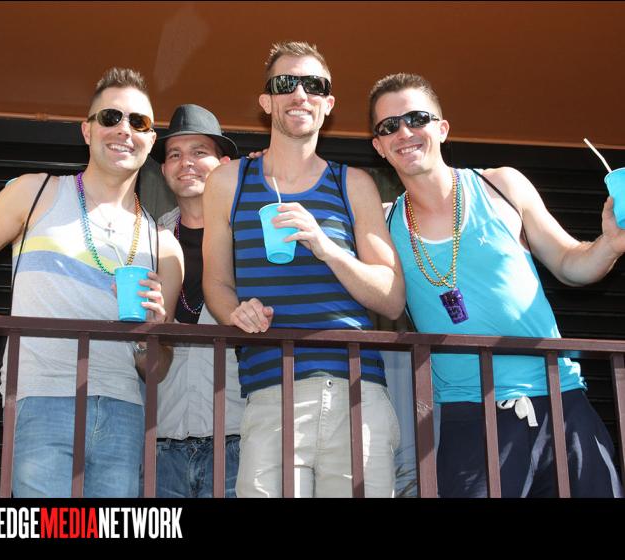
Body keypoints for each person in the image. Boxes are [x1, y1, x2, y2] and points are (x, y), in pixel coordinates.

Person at [369, 72, 625, 497]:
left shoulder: (500, 185)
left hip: (561, 398)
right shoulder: (383, 221)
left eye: (417, 118)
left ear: (442, 128)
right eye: (389, 126)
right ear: (378, 146)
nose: (405, 132)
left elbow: (569, 263)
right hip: (469, 415)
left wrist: (610, 245)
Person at [203, 41, 405, 498]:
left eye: (313, 85)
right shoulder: (228, 182)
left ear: (328, 104)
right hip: (270, 391)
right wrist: (235, 311)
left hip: (357, 393)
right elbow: (216, 282)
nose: (300, 94)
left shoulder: (353, 183)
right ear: (266, 101)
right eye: (285, 84)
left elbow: (392, 298)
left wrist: (325, 246)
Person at [0, 67, 184, 497]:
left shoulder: (165, 246)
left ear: (151, 140)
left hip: (124, 410)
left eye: (139, 122)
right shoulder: (34, 193)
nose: (124, 130)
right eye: (111, 117)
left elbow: (157, 369)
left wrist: (149, 335)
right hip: (41, 398)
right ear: (87, 130)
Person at [150, 104, 244, 498]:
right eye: (175, 154)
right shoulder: (148, 240)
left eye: (199, 152)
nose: (185, 162)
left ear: (224, 165)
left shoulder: (252, 235)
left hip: (240, 439)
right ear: (163, 169)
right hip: (162, 443)